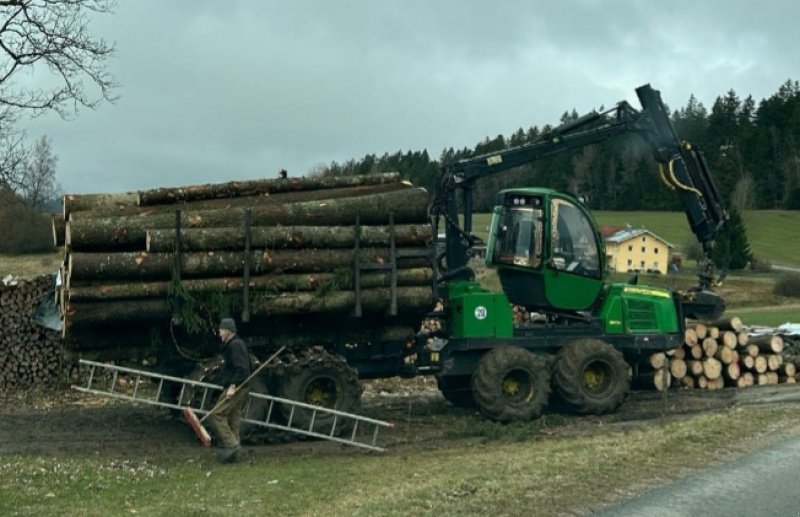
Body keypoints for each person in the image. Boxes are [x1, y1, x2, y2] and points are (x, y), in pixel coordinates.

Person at [208, 317, 252, 463]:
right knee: (233, 419)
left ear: (227, 331)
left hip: (238, 387)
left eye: (220, 331)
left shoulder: (235, 346)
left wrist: (232, 387)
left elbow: (242, 370)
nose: (219, 334)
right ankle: (236, 457)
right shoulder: (234, 344)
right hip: (241, 387)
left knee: (217, 414)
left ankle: (232, 445)